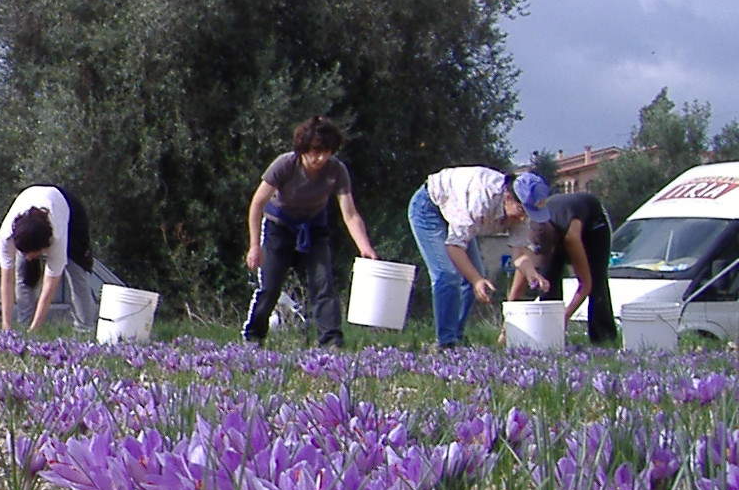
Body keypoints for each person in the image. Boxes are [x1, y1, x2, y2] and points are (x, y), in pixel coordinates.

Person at [239, 117, 380, 348]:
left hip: (313, 228)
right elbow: (257, 204)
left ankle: (331, 341)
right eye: (315, 152)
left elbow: (350, 213)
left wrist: (365, 247)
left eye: (326, 152)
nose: (320, 158)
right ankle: (253, 337)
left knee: (323, 284)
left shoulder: (336, 170)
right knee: (270, 286)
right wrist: (254, 246)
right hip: (278, 227)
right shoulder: (285, 164)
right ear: (303, 149)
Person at [407, 166, 539, 348]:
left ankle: (456, 338)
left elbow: (519, 253)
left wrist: (531, 272)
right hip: (431, 208)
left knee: (471, 280)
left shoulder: (522, 212)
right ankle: (445, 343)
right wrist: (477, 280)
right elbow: (454, 247)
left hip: (458, 216)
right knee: (447, 275)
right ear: (508, 197)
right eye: (522, 211)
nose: (524, 218)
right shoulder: (481, 199)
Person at [512, 187, 615, 346]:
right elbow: (522, 271)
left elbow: (585, 284)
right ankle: (550, 337)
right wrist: (509, 316)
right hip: (559, 221)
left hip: (594, 228)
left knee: (596, 283)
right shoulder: (532, 230)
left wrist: (565, 317)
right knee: (547, 280)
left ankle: (604, 340)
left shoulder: (570, 237)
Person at [0, 185, 97, 332]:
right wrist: (6, 325)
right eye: (23, 252)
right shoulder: (7, 236)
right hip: (29, 216)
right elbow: (7, 281)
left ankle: (85, 328)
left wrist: (35, 329)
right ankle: (24, 324)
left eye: (32, 253)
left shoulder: (56, 238)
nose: (29, 257)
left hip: (70, 212)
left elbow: (49, 288)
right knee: (23, 273)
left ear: (45, 247)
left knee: (77, 272)